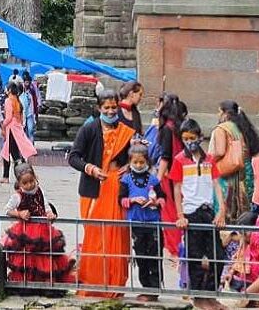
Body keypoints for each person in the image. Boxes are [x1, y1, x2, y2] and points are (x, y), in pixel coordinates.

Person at [68, 89, 134, 297]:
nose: (111, 111)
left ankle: (115, 285)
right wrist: (91, 169)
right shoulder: (89, 129)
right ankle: (94, 283)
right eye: (107, 108)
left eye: (114, 107)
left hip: (116, 189)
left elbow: (136, 158)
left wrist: (130, 166)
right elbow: (73, 157)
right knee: (95, 238)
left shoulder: (127, 131)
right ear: (99, 109)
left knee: (117, 236)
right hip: (93, 190)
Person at [170, 118, 226, 310]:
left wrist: (222, 211)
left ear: (199, 137)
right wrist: (180, 215)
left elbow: (217, 185)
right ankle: (198, 297)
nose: (189, 142)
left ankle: (211, 294)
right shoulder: (179, 160)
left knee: (217, 255)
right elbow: (176, 189)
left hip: (208, 211)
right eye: (185, 138)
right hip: (190, 212)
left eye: (192, 138)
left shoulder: (209, 159)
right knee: (194, 257)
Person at [2, 162, 74, 284]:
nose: (29, 185)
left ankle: (45, 279)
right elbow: (7, 210)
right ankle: (28, 280)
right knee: (28, 256)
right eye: (25, 183)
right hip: (26, 229)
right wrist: (19, 214)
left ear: (35, 178)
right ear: (19, 183)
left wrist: (49, 213)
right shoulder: (18, 196)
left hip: (43, 228)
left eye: (31, 181)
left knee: (45, 254)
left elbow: (45, 205)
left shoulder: (40, 191)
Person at [119, 140, 165, 301]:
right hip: (136, 224)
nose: (138, 165)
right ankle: (146, 287)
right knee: (141, 257)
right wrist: (132, 200)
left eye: (141, 162)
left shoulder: (153, 180)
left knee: (155, 256)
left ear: (147, 161)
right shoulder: (126, 180)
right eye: (135, 162)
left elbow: (163, 199)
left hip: (153, 223)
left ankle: (154, 289)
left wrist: (155, 202)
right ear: (130, 162)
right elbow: (121, 200)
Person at [208, 100, 259, 221]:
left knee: (225, 211)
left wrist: (209, 160)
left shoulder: (222, 129)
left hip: (227, 175)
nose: (218, 114)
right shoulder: (242, 129)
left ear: (225, 114)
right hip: (243, 174)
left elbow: (220, 151)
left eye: (219, 111)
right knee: (243, 212)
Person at [155, 92, 186, 257]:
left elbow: (165, 156)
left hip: (170, 176)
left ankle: (175, 249)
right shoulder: (180, 126)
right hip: (182, 173)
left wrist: (156, 180)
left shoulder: (167, 128)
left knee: (170, 213)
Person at [1, 82, 37, 182]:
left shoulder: (8, 101)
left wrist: (2, 125)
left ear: (9, 90)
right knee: (8, 153)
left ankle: (20, 175)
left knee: (14, 155)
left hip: (11, 129)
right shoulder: (18, 100)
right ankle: (6, 176)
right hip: (17, 128)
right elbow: (21, 117)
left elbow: (8, 118)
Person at [20, 77, 35, 142]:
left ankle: (31, 146)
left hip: (29, 114)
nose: (27, 84)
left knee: (30, 130)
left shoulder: (32, 91)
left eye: (28, 82)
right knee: (24, 132)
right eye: (26, 82)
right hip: (23, 115)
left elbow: (34, 102)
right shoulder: (21, 93)